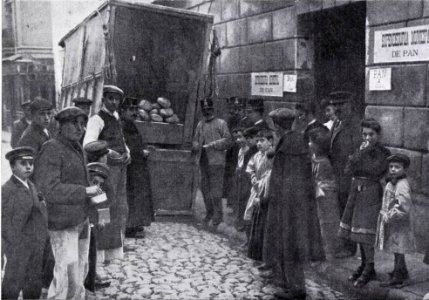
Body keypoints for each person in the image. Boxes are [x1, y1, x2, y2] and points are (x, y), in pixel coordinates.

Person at [34, 107, 103, 299]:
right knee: (65, 273)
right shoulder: (52, 148)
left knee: (80, 270)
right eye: (74, 123)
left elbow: (85, 183)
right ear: (61, 125)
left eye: (82, 124)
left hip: (80, 220)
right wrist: (84, 191)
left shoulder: (76, 147)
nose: (80, 128)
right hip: (62, 223)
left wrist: (96, 211)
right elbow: (48, 189)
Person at [262, 108, 313, 300]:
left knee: (291, 243)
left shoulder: (290, 145)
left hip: (290, 206)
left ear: (277, 126)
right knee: (287, 242)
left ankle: (297, 289)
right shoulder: (295, 141)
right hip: (292, 203)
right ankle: (288, 283)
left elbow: (290, 180)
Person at [338, 118, 391, 288]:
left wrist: (361, 154)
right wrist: (358, 155)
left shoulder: (383, 152)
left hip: (371, 192)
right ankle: (363, 264)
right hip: (356, 190)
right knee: (356, 231)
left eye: (371, 134)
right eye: (364, 134)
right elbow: (348, 169)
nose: (367, 138)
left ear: (378, 135)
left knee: (366, 232)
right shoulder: (359, 150)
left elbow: (374, 170)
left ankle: (370, 267)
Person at [84, 85, 131, 257]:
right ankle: (102, 245)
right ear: (103, 99)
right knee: (104, 205)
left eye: (117, 99)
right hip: (106, 169)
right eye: (110, 98)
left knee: (120, 204)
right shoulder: (96, 120)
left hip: (120, 168)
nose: (113, 102)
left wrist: (127, 152)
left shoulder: (116, 117)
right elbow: (89, 144)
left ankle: (117, 244)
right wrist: (109, 151)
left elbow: (121, 139)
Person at [1, 147, 48, 299]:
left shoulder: (32, 186)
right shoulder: (7, 189)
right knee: (13, 282)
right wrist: (12, 243)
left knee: (34, 282)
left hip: (35, 244)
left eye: (31, 163)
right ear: (13, 166)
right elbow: (5, 220)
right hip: (18, 246)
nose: (28, 166)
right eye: (23, 163)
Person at [328, 91, 362, 256]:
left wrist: (349, 169)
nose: (336, 108)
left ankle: (350, 248)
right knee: (341, 209)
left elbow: (357, 152)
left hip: (349, 176)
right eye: (334, 105)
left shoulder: (355, 124)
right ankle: (344, 244)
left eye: (340, 104)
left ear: (349, 104)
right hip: (338, 175)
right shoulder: (337, 123)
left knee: (349, 211)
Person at [376, 154, 416, 287]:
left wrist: (390, 215)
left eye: (397, 167)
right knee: (395, 248)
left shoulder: (402, 185)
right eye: (391, 166)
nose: (393, 169)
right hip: (394, 224)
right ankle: (400, 271)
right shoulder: (392, 182)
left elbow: (402, 206)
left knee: (399, 248)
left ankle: (399, 276)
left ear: (404, 170)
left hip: (400, 224)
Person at [192, 97, 231, 226]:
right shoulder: (200, 124)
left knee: (216, 190)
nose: (206, 112)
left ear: (213, 110)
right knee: (204, 189)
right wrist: (196, 144)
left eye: (209, 109)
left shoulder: (221, 123)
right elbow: (195, 139)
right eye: (204, 110)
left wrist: (214, 144)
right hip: (203, 161)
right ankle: (209, 212)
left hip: (216, 162)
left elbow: (228, 140)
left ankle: (218, 216)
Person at [308, 128, 347, 260]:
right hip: (319, 194)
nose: (309, 144)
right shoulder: (315, 159)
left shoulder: (324, 162)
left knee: (328, 222)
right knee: (320, 221)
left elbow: (323, 181)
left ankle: (331, 249)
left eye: (311, 142)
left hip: (326, 195)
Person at [120, 97, 153, 238]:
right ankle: (129, 226)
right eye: (130, 110)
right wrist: (140, 152)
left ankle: (136, 224)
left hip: (138, 167)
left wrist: (145, 147)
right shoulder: (122, 126)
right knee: (130, 196)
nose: (134, 113)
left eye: (135, 109)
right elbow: (123, 146)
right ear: (123, 111)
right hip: (130, 168)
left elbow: (137, 141)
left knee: (138, 196)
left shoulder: (132, 125)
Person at [246, 129, 273, 263]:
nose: (259, 144)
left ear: (270, 142)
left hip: (266, 188)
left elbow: (271, 171)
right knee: (251, 216)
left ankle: (262, 252)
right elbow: (250, 168)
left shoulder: (271, 155)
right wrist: (253, 178)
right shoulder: (255, 156)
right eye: (257, 141)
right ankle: (252, 246)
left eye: (262, 141)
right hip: (256, 187)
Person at [85, 162, 111, 297]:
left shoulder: (100, 190)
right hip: (82, 224)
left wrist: (103, 219)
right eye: (95, 181)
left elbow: (104, 203)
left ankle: (91, 283)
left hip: (93, 227)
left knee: (92, 255)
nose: (97, 185)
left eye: (100, 183)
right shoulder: (83, 188)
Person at [234, 127, 259, 232]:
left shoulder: (255, 151)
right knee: (242, 199)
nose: (248, 141)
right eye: (247, 138)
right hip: (244, 177)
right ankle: (241, 223)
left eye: (250, 138)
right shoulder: (249, 150)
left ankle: (245, 224)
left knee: (247, 200)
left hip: (251, 179)